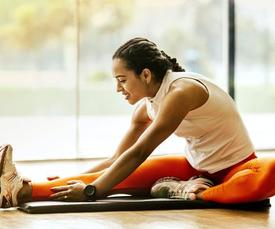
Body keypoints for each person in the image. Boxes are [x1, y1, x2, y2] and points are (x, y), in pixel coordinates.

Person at [1, 37, 275, 208]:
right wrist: (75, 181)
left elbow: (141, 152)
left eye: (122, 80)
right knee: (114, 176)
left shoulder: (181, 92)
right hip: (194, 168)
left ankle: (194, 192)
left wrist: (92, 191)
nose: (118, 88)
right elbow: (117, 159)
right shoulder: (146, 108)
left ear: (145, 74)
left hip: (238, 169)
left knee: (270, 170)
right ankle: (16, 189)